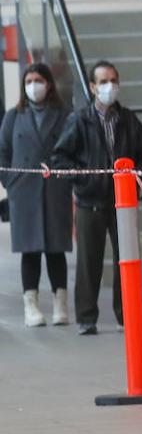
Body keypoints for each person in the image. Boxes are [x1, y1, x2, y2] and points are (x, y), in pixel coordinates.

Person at [50, 60, 142, 335]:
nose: (110, 86)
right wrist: (84, 178)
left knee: (128, 261)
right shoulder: (80, 120)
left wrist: (139, 175)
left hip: (123, 203)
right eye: (104, 81)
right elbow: (60, 157)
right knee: (89, 262)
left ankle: (128, 315)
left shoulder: (128, 120)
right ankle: (87, 317)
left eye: (114, 80)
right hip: (90, 201)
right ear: (93, 87)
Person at [0, 64, 73, 328]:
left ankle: (60, 304)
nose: (33, 85)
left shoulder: (64, 114)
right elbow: (3, 151)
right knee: (29, 251)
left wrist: (65, 178)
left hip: (54, 188)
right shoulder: (13, 116)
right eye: (29, 80)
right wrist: (11, 182)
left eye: (38, 80)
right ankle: (31, 306)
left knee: (56, 249)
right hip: (24, 191)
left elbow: (73, 148)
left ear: (49, 83)